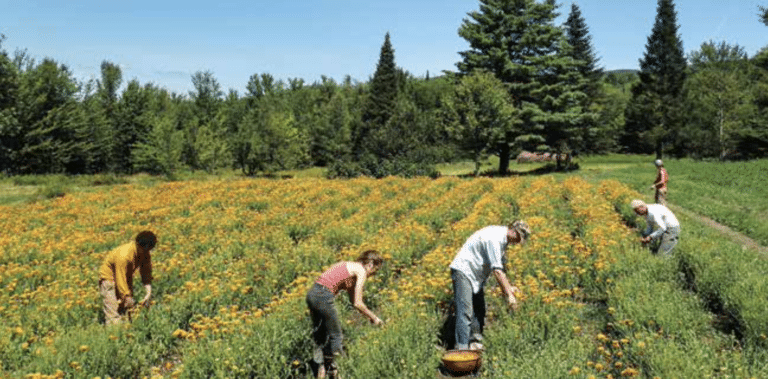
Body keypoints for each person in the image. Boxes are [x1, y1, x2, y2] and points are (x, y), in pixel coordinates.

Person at [449, 220, 530, 351]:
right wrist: (509, 295)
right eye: (518, 238)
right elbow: (497, 271)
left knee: (479, 307)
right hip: (464, 271)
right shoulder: (494, 239)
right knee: (465, 311)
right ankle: (462, 350)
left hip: (475, 274)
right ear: (514, 231)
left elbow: (502, 267)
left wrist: (509, 288)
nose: (517, 243)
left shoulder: (502, 238)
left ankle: (475, 342)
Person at [306, 250, 384, 379]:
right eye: (375, 270)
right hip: (323, 296)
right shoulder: (361, 270)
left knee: (321, 335)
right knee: (336, 336)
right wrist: (375, 318)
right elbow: (358, 303)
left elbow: (354, 301)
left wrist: (369, 316)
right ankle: (336, 373)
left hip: (312, 294)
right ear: (370, 264)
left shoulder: (348, 266)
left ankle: (321, 369)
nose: (373, 275)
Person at [98, 230, 156, 325]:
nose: (147, 252)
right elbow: (120, 278)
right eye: (146, 250)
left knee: (127, 311)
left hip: (125, 277)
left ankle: (128, 331)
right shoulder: (124, 255)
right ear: (139, 245)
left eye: (149, 250)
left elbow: (146, 273)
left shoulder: (145, 253)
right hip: (109, 279)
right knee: (114, 314)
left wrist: (148, 293)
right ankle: (115, 334)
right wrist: (127, 296)